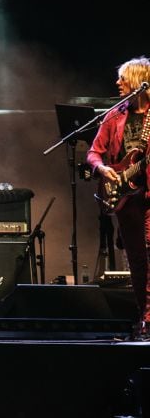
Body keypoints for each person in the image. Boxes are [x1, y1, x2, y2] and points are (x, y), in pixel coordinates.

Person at [87, 56, 150, 338]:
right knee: (137, 260)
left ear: (138, 81)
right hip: (126, 195)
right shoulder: (115, 114)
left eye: (123, 78)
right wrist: (103, 169)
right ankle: (144, 318)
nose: (117, 83)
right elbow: (94, 151)